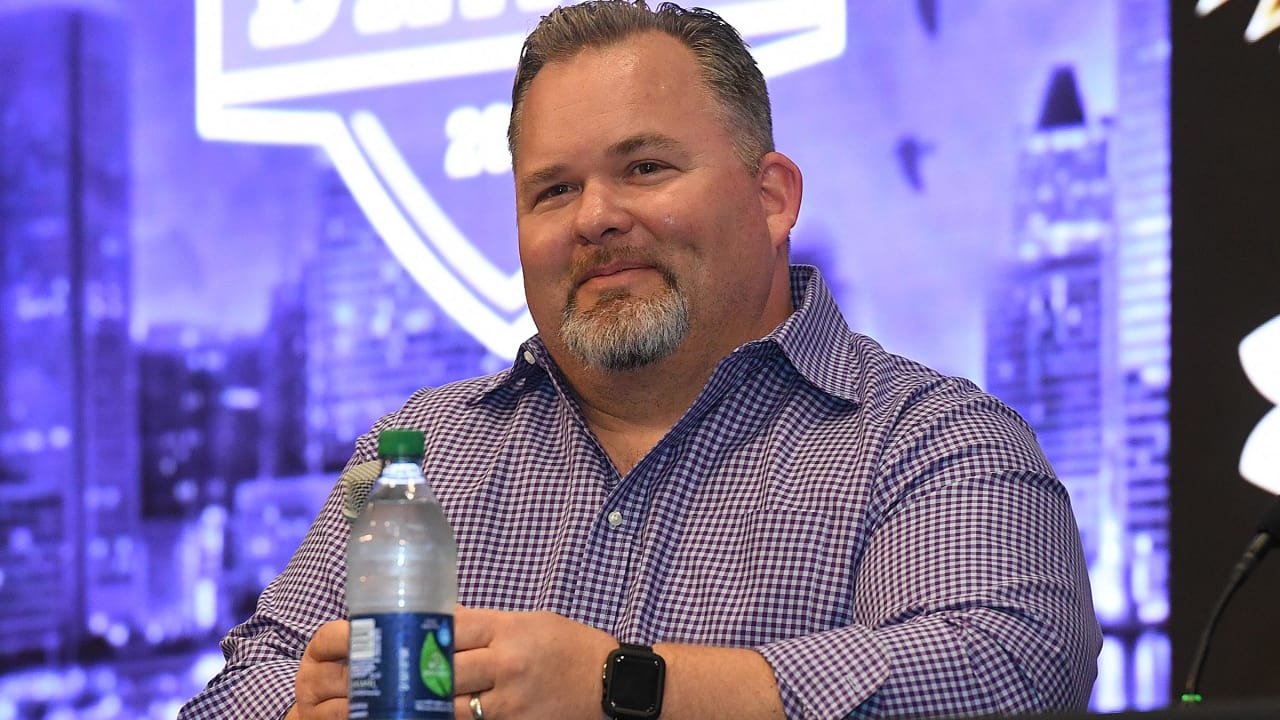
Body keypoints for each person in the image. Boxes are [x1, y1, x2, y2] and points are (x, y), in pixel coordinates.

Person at [180, 2, 1102, 718]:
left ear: (773, 197)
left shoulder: (927, 441)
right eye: (553, 189)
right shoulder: (423, 456)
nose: (594, 218)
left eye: (646, 168)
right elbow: (235, 693)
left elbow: (1007, 670)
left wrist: (631, 692)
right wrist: (312, 705)